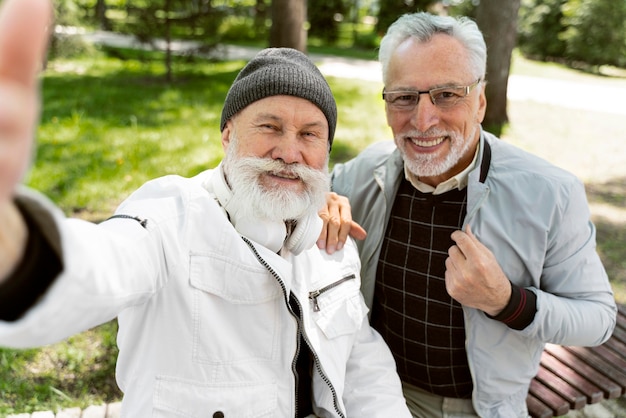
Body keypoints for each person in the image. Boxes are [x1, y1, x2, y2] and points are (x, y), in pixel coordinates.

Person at [0, 0, 412, 416]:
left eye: (310, 134)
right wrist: (14, 245)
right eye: (269, 126)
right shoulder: (170, 217)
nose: (289, 152)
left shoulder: (331, 237)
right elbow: (98, 269)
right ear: (227, 135)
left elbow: (363, 366)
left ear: (326, 151)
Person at [327, 11, 617, 418]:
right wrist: (320, 200)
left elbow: (598, 318)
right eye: (404, 97)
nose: (423, 120)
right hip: (368, 391)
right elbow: (300, 190)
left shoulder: (551, 193)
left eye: (447, 95)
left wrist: (507, 301)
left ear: (480, 101)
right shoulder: (364, 173)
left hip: (471, 409)